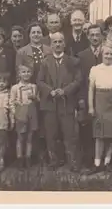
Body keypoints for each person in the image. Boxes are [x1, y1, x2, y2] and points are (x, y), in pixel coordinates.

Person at [37, 32, 82, 171]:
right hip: (50, 103)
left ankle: (72, 161)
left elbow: (78, 80)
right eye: (55, 42)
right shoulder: (45, 62)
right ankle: (54, 160)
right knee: (51, 134)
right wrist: (50, 90)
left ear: (64, 44)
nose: (57, 44)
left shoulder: (73, 61)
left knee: (69, 134)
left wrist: (65, 90)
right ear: (51, 45)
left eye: (60, 41)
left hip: (66, 102)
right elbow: (39, 80)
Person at [87, 45, 112, 173]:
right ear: (101, 55)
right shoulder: (95, 69)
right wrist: (91, 107)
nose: (109, 56)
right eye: (106, 54)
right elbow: (91, 90)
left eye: (111, 54)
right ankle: (97, 163)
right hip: (100, 101)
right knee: (99, 135)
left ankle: (107, 162)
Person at [16, 22, 52, 163]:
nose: (36, 35)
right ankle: (27, 155)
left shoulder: (48, 50)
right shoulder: (22, 52)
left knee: (44, 120)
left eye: (38, 32)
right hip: (29, 90)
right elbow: (18, 72)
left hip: (45, 89)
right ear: (29, 35)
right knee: (29, 120)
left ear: (42, 35)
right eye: (33, 33)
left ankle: (43, 152)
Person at [77, 24, 104, 167]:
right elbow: (79, 80)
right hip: (87, 97)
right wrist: (81, 99)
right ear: (88, 37)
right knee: (87, 129)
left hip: (104, 98)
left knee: (103, 129)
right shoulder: (82, 56)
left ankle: (103, 160)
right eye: (92, 35)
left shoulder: (107, 53)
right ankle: (88, 159)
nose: (95, 37)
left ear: (101, 36)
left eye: (97, 35)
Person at [10, 64, 39, 169]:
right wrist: (15, 114)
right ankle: (19, 159)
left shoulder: (34, 86)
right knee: (20, 137)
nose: (26, 74)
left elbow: (38, 100)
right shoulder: (15, 88)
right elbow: (11, 102)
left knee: (30, 137)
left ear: (31, 74)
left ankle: (28, 158)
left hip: (32, 112)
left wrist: (34, 97)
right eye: (23, 72)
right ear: (19, 74)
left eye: (28, 72)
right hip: (20, 113)